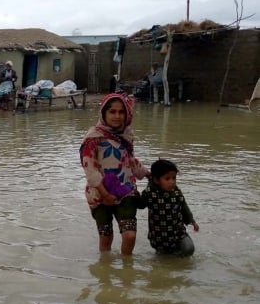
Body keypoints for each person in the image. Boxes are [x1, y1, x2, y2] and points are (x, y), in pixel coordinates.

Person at [79, 93, 149, 255]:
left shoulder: (126, 135)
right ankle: (105, 276)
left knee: (130, 236)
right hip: (99, 195)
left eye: (121, 112)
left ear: (127, 114)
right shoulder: (93, 138)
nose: (117, 116)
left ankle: (127, 274)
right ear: (103, 113)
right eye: (112, 112)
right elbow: (90, 169)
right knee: (106, 237)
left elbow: (129, 160)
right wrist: (105, 195)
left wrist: (147, 173)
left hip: (126, 192)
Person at [138, 159, 199, 256]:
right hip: (159, 237)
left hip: (178, 233)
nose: (172, 182)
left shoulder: (176, 191)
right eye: (167, 179)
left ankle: (175, 261)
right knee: (163, 257)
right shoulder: (149, 193)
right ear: (156, 180)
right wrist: (133, 193)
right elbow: (140, 205)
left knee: (189, 249)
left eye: (174, 178)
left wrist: (192, 221)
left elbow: (183, 206)